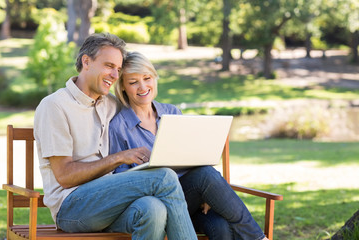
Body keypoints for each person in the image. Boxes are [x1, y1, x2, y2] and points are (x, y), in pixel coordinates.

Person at [34, 33, 198, 240]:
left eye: (118, 69)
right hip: (72, 207)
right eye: (109, 66)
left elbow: (144, 107)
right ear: (86, 61)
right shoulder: (55, 106)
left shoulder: (111, 103)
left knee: (153, 209)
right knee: (163, 176)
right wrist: (119, 157)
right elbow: (65, 177)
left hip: (111, 202)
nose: (115, 75)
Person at [109, 51, 269, 240]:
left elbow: (193, 156)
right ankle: (258, 238)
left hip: (191, 201)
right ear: (123, 87)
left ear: (155, 79)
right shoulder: (118, 126)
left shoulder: (172, 112)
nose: (143, 86)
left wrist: (209, 194)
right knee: (205, 176)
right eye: (133, 82)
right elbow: (121, 181)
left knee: (221, 227)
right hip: (157, 204)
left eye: (147, 78)